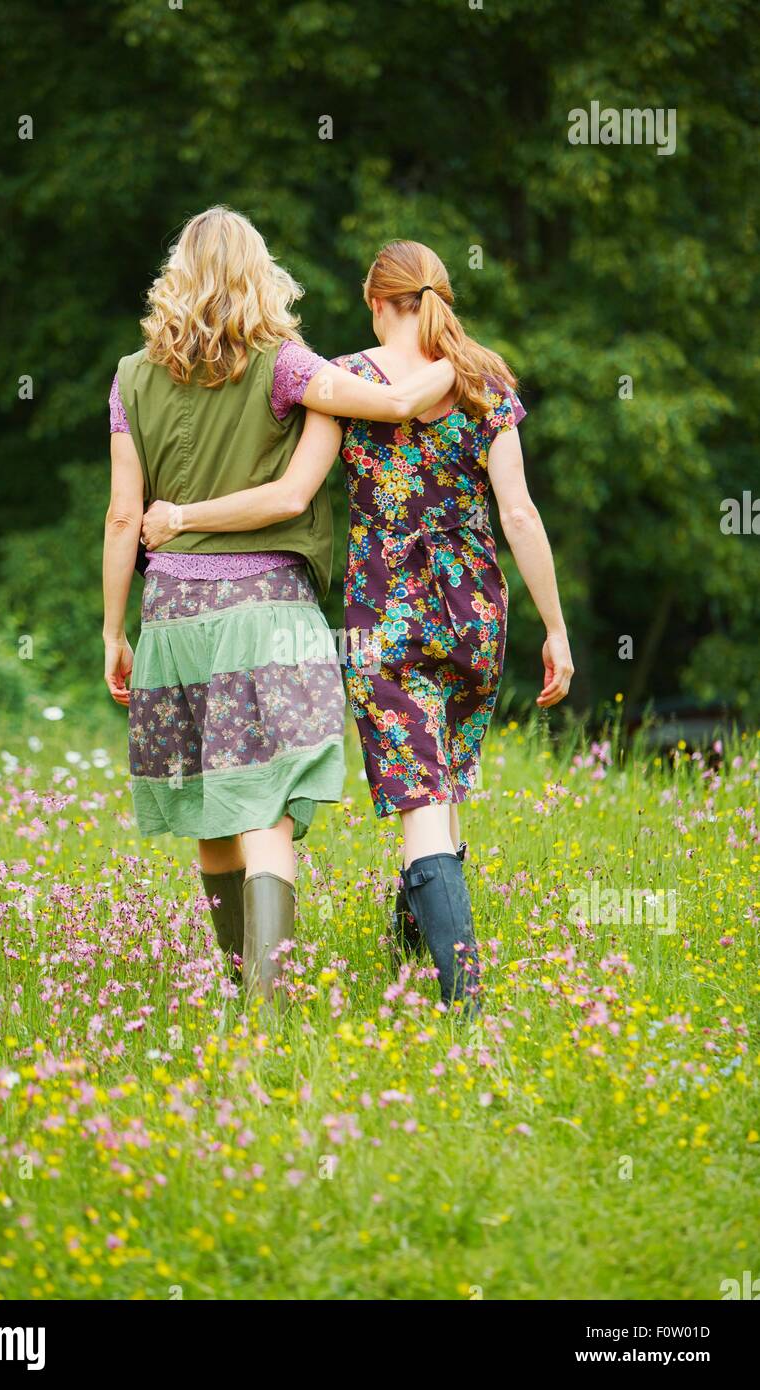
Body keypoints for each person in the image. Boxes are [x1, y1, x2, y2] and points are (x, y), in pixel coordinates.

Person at [140, 239, 574, 1019]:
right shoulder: (485, 378)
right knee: (441, 781)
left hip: (385, 616)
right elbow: (518, 512)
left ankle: (467, 1007)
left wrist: (181, 519)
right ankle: (421, 930)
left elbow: (295, 490)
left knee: (421, 799)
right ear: (439, 297)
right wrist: (557, 628)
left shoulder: (347, 381)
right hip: (475, 611)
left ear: (377, 301)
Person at [104, 212, 455, 1005]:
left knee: (211, 812)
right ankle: (268, 1008)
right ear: (263, 276)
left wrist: (111, 631)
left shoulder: (129, 376)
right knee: (266, 809)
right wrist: (461, 363)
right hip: (267, 613)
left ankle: (242, 988)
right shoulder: (287, 366)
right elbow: (396, 404)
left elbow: (124, 517)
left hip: (169, 616)